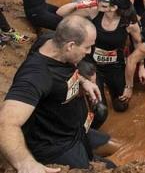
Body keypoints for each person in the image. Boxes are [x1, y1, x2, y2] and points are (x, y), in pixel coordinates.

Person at [0, 16, 110, 170]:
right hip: (56, 145)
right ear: (70, 46)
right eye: (87, 47)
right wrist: (25, 163)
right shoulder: (37, 75)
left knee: (114, 151)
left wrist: (83, 82)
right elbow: (6, 122)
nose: (89, 52)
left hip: (76, 131)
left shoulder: (52, 41)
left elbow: (64, 70)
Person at [56, 0, 140, 128]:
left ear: (114, 7)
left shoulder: (129, 23)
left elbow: (138, 44)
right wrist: (79, 4)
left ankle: (111, 90)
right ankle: (87, 128)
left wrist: (139, 70)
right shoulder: (94, 12)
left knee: (121, 106)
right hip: (93, 65)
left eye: (104, 0)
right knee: (100, 110)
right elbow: (60, 14)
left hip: (115, 65)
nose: (99, 0)